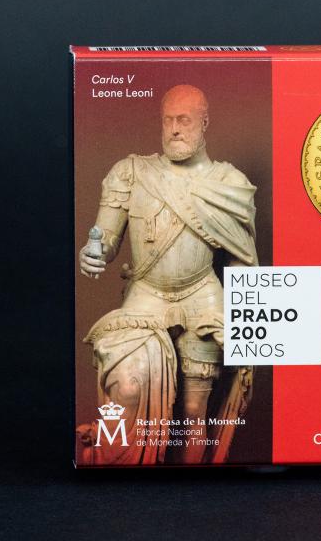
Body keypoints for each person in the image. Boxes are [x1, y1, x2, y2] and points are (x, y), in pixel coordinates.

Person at [77, 84, 256, 465]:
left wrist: (240, 317)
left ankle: (191, 483)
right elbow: (105, 239)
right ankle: (122, 464)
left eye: (184, 120)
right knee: (127, 386)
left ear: (204, 123)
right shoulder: (130, 173)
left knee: (194, 409)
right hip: (147, 292)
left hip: (202, 294)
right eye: (168, 120)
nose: (174, 129)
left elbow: (242, 260)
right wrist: (94, 253)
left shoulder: (229, 183)